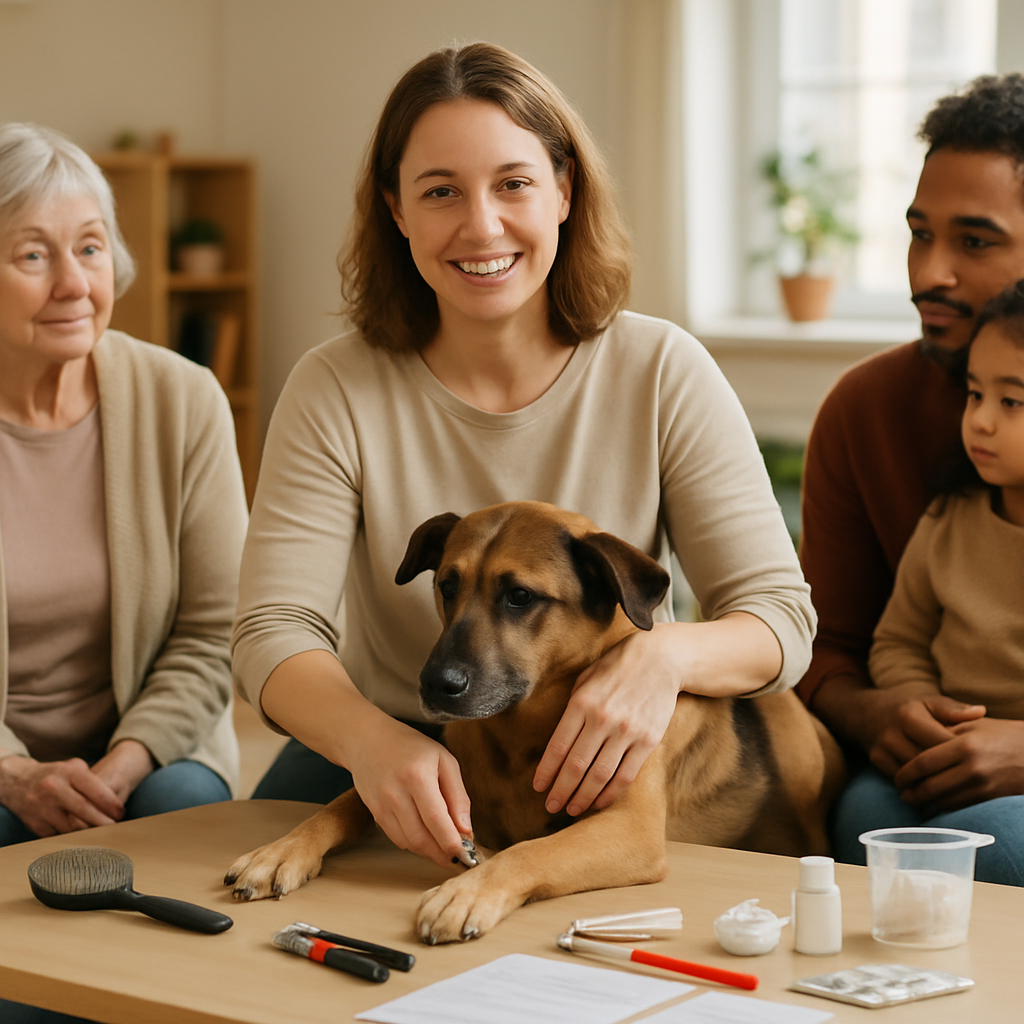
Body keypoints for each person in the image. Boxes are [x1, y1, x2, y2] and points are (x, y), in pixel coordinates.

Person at [233, 42, 816, 871]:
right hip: (390, 746)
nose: (482, 225)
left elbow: (780, 618)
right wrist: (374, 743)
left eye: (514, 183)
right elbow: (271, 629)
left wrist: (659, 660)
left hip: (606, 751)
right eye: (441, 192)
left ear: (564, 192)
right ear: (396, 211)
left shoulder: (663, 369)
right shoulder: (333, 386)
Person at [797, 74, 1024, 882]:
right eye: (918, 234)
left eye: (974, 241)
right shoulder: (864, 410)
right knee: (869, 824)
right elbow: (827, 648)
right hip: (921, 775)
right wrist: (880, 714)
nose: (929, 273)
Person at [0, 122, 247, 850]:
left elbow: (214, 630)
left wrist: (120, 765)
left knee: (182, 811)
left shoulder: (184, 399)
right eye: (33, 255)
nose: (74, 283)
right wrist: (14, 774)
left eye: (90, 247)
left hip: (146, 750)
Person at [859, 281, 1024, 885]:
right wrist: (922, 711)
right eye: (975, 393)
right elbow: (898, 639)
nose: (979, 420)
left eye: (1013, 402)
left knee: (1002, 845)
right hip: (942, 758)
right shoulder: (948, 518)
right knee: (864, 814)